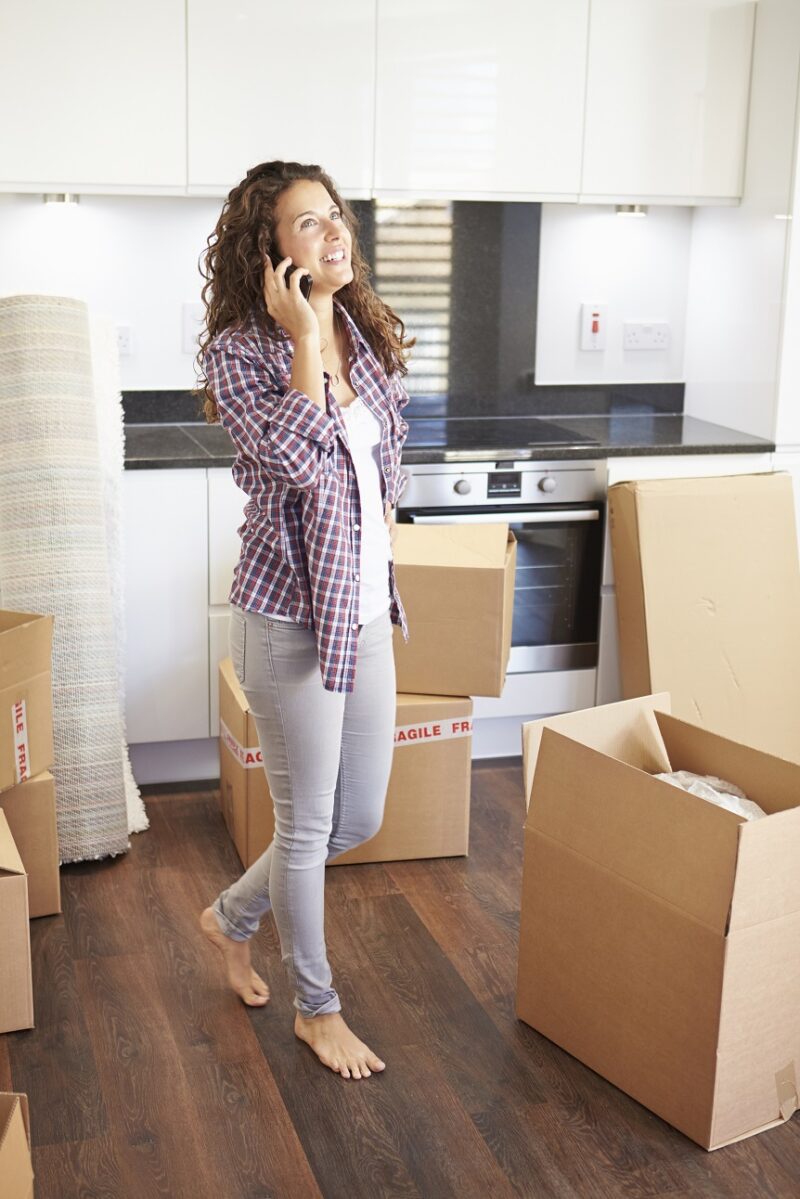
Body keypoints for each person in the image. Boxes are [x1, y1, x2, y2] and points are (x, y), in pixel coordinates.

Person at [195, 160, 414, 1081]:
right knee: (305, 821)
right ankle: (315, 1010)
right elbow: (292, 460)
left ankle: (232, 915)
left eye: (336, 216)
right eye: (306, 223)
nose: (334, 233)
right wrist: (301, 337)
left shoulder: (362, 334)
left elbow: (386, 459)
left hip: (363, 610)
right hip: (288, 618)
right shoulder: (241, 350)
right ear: (268, 248)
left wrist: (330, 336)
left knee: (354, 817)